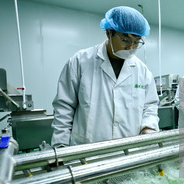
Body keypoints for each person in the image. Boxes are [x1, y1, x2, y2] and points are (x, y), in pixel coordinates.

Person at [51, 6, 159, 147]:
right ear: (108, 33)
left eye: (137, 41)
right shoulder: (80, 61)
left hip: (129, 151)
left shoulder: (143, 71)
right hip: (87, 151)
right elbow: (64, 108)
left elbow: (149, 106)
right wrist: (60, 148)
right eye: (125, 40)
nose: (131, 47)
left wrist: (148, 128)